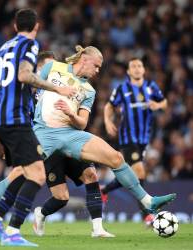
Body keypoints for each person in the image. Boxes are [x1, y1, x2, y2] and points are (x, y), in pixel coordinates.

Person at [0, 9, 75, 247]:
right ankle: (11, 231)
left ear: (15, 26)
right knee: (37, 175)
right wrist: (58, 89)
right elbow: (25, 76)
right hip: (16, 120)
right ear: (36, 26)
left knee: (25, 171)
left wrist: (3, 96)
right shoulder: (30, 45)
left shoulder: (3, 49)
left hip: (1, 121)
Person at [33, 45, 176, 222]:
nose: (98, 70)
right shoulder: (53, 69)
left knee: (115, 159)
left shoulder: (89, 90)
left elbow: (83, 123)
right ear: (85, 60)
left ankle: (147, 201)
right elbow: (30, 90)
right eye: (97, 66)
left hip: (70, 135)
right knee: (31, 180)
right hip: (45, 135)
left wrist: (71, 114)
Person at [0, 51, 113, 239]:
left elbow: (81, 119)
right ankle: (32, 214)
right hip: (48, 145)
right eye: (46, 69)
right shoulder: (32, 97)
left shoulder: (77, 87)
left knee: (91, 175)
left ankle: (98, 228)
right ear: (41, 70)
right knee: (61, 197)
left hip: (70, 140)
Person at [102, 58, 168, 225]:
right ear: (129, 71)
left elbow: (165, 102)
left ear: (144, 70)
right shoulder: (122, 89)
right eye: (133, 66)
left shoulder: (151, 87)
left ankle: (104, 189)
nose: (137, 69)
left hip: (143, 139)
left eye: (140, 66)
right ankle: (147, 214)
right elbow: (109, 106)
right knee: (139, 172)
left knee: (131, 174)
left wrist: (157, 105)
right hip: (127, 138)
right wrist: (108, 121)